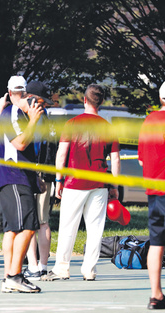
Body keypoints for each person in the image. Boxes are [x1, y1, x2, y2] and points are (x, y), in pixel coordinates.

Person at [42, 84, 120, 282]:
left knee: (68, 226)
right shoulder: (108, 128)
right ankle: (89, 270)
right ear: (101, 103)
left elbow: (62, 154)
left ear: (84, 100)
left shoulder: (72, 123)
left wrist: (59, 179)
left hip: (74, 182)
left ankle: (62, 269)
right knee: (95, 228)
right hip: (100, 182)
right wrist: (115, 186)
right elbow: (116, 159)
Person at [0, 77, 45, 293]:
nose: (41, 109)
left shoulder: (15, 113)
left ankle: (8, 277)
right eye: (40, 104)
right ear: (28, 96)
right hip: (13, 176)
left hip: (17, 176)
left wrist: (35, 176)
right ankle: (15, 276)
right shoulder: (13, 112)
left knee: (13, 230)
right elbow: (20, 143)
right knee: (28, 226)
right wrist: (33, 120)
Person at [22, 81, 56, 281]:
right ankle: (42, 265)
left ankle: (34, 265)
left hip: (33, 172)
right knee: (43, 221)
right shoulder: (47, 119)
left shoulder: (34, 117)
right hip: (46, 172)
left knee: (31, 223)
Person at [138, 81, 165, 310]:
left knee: (156, 243)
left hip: (154, 193)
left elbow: (141, 158)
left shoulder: (149, 120)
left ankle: (155, 296)